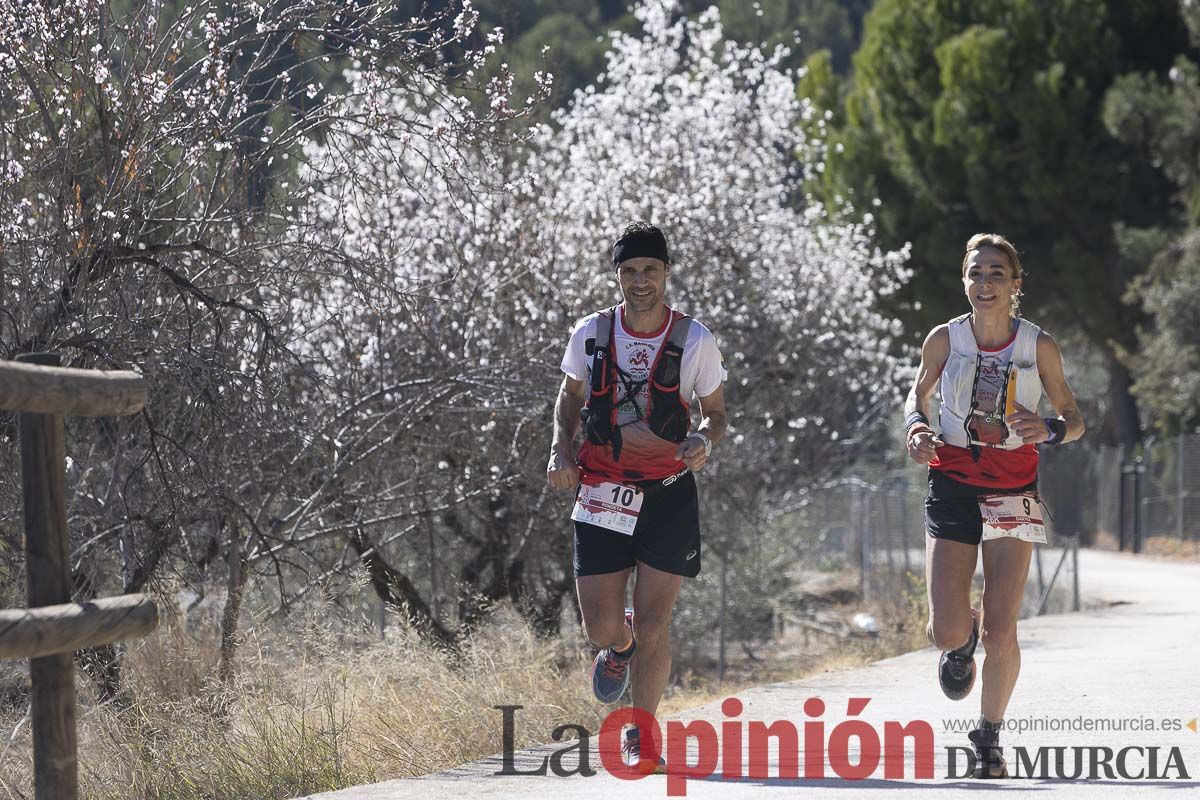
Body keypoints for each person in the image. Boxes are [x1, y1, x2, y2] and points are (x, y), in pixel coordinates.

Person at [904, 233, 1084, 778]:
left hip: (1013, 487)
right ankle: (963, 642)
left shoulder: (1038, 346)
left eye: (996, 274)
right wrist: (915, 426)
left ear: (1015, 284)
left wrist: (1049, 428)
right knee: (946, 631)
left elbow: (1073, 418)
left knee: (1005, 627)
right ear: (965, 280)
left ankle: (989, 735)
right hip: (953, 481)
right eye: (976, 274)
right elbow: (918, 394)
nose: (985, 284)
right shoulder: (944, 340)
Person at [547, 221, 727, 766]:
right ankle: (618, 647)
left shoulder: (694, 339)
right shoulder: (593, 333)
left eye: (650, 269)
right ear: (617, 276)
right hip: (602, 491)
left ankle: (642, 733)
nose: (640, 280)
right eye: (629, 270)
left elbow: (716, 415)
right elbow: (568, 398)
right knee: (602, 626)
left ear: (666, 273)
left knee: (655, 625)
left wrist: (703, 440)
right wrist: (561, 447)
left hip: (668, 494)